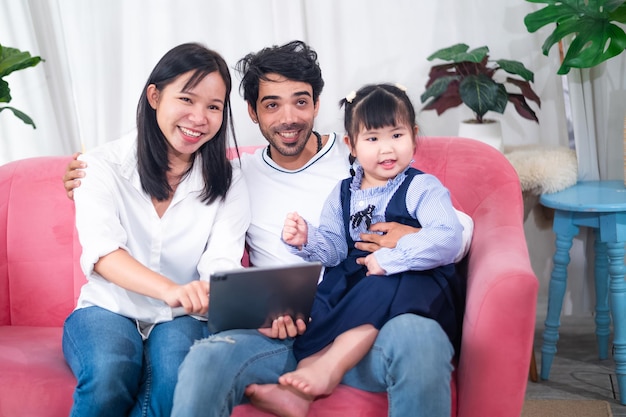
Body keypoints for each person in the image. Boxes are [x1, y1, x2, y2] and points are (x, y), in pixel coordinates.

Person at [63, 40, 473, 417]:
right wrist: (257, 311)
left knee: (421, 338)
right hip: (275, 330)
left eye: (300, 102)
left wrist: (413, 238)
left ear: (316, 104)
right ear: (251, 112)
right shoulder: (235, 175)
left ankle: (324, 368)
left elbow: (457, 227)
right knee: (202, 359)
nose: (289, 118)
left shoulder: (361, 155)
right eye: (272, 105)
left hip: (361, 320)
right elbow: (220, 263)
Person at [62, 43, 250, 417]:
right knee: (109, 374)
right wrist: (173, 290)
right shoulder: (99, 166)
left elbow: (221, 262)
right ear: (154, 96)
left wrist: (220, 294)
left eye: (213, 107)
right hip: (108, 307)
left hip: (181, 317)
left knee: (178, 386)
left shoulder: (230, 180)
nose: (199, 117)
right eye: (186, 99)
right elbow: (104, 255)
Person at [276, 83, 464, 414]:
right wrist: (308, 238)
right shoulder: (342, 193)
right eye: (373, 138)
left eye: (397, 135)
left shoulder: (421, 186)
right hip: (359, 280)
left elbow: (448, 235)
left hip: (415, 280)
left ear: (414, 135)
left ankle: (328, 367)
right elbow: (335, 249)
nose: (386, 149)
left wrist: (394, 258)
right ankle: (304, 379)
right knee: (324, 304)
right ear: (351, 144)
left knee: (389, 281)